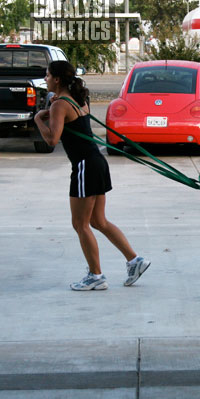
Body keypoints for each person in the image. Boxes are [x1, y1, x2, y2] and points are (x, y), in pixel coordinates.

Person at [34, 60, 150, 291]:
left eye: (47, 76)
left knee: (80, 224)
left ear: (57, 79)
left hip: (85, 166)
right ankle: (135, 261)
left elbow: (51, 140)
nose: (45, 79)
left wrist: (39, 119)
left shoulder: (60, 106)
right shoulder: (78, 99)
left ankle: (96, 276)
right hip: (97, 162)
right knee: (98, 221)